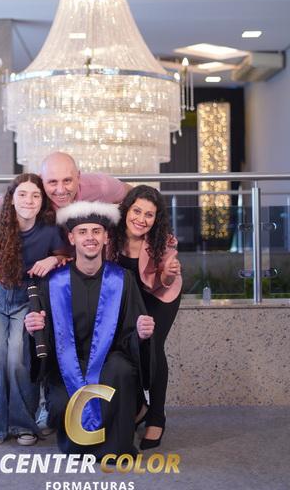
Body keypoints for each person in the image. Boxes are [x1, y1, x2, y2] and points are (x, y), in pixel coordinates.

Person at [24, 201, 155, 458]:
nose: (90, 238)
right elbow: (44, 342)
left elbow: (129, 336)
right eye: (82, 232)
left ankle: (116, 448)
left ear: (106, 237)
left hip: (108, 365)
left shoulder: (122, 280)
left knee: (121, 370)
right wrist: (32, 330)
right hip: (66, 369)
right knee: (62, 406)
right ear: (72, 238)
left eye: (96, 231)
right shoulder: (53, 283)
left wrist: (140, 335)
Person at [0, 173, 67, 446]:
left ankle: (24, 424)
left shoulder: (49, 229)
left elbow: (64, 256)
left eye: (35, 195)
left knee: (17, 361)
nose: (29, 201)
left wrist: (53, 259)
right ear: (12, 198)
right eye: (22, 194)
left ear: (42, 201)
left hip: (26, 299)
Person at [108, 185, 182, 451]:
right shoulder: (110, 233)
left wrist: (169, 273)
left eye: (149, 215)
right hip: (128, 297)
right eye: (136, 211)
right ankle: (140, 406)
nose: (141, 219)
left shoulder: (163, 241)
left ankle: (156, 417)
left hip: (159, 295)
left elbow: (164, 280)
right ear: (126, 209)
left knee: (152, 345)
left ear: (156, 219)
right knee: (125, 347)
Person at [0, 151, 131, 220]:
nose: (61, 190)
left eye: (67, 181)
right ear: (41, 179)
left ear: (78, 176)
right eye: (52, 182)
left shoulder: (101, 185)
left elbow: (135, 194)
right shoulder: (31, 194)